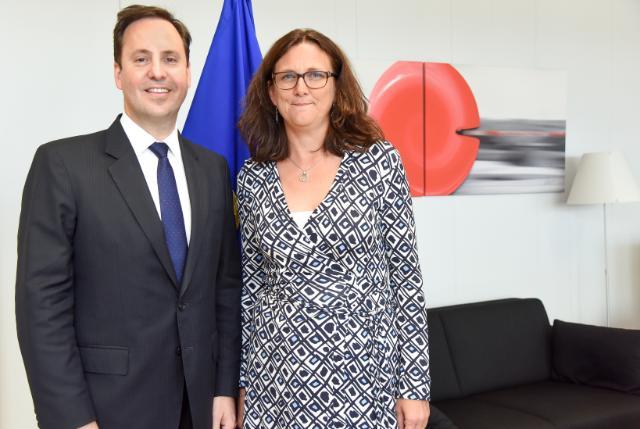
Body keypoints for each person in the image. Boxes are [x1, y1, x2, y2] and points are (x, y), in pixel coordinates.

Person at [15, 5, 241, 429]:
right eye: (141, 59)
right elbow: (41, 307)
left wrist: (224, 387)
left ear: (188, 72)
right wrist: (71, 418)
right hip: (105, 412)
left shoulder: (212, 170)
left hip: (200, 407)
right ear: (119, 73)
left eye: (170, 59)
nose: (158, 72)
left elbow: (225, 289)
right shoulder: (62, 165)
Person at [236, 28, 431, 429]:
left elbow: (405, 279)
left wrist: (415, 385)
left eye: (315, 75)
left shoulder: (378, 162)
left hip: (364, 382)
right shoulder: (251, 180)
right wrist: (242, 386)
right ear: (271, 92)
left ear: (335, 85)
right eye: (287, 76)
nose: (300, 87)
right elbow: (252, 289)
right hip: (274, 385)